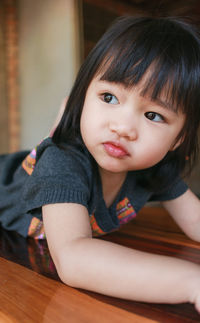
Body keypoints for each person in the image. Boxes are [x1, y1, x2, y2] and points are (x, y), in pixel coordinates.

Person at [1, 16, 200, 311]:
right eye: (109, 97)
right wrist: (192, 283)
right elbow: (72, 259)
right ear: (82, 98)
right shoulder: (62, 163)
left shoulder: (156, 168)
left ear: (179, 138)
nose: (123, 127)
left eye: (153, 115)